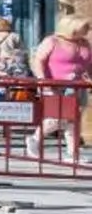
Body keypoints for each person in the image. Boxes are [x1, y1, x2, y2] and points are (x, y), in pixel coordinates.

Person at [31, 15, 92, 161]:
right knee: (59, 117)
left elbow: (89, 64)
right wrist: (42, 79)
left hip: (78, 86)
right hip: (55, 85)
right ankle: (35, 138)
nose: (86, 31)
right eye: (83, 28)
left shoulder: (84, 43)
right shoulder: (52, 41)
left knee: (75, 119)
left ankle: (73, 153)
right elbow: (38, 60)